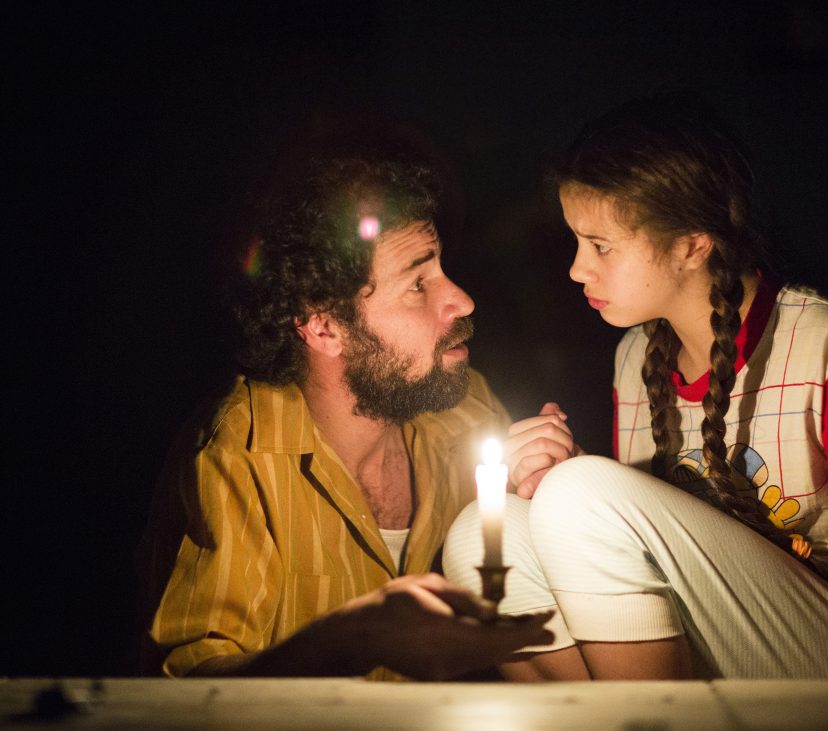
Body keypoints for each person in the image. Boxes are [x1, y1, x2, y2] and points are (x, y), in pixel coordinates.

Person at [444, 94, 828, 680]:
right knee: (480, 535)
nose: (577, 269)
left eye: (601, 246)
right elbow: (679, 537)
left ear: (691, 244)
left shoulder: (823, 341)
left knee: (578, 493)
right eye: (577, 243)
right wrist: (560, 476)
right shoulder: (636, 355)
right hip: (725, 635)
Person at [138, 146, 553, 680]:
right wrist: (351, 640)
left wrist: (548, 486)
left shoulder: (467, 409)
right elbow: (189, 693)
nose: (462, 300)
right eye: (417, 285)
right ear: (325, 327)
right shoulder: (238, 458)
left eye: (443, 269)